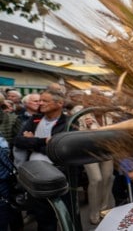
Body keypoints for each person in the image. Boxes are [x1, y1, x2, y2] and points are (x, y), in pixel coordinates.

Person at [13, 90, 70, 231]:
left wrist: (32, 142)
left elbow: (61, 149)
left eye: (45, 101)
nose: (40, 103)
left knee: (65, 213)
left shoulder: (68, 122)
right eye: (40, 100)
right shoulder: (35, 119)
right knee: (43, 216)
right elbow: (18, 141)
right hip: (35, 173)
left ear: (60, 103)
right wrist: (44, 141)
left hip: (59, 172)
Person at [78, 110, 115, 225]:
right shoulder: (83, 116)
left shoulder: (110, 115)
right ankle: (93, 212)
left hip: (107, 151)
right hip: (89, 152)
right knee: (96, 179)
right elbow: (78, 136)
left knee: (108, 178)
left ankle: (103, 209)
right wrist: (86, 127)